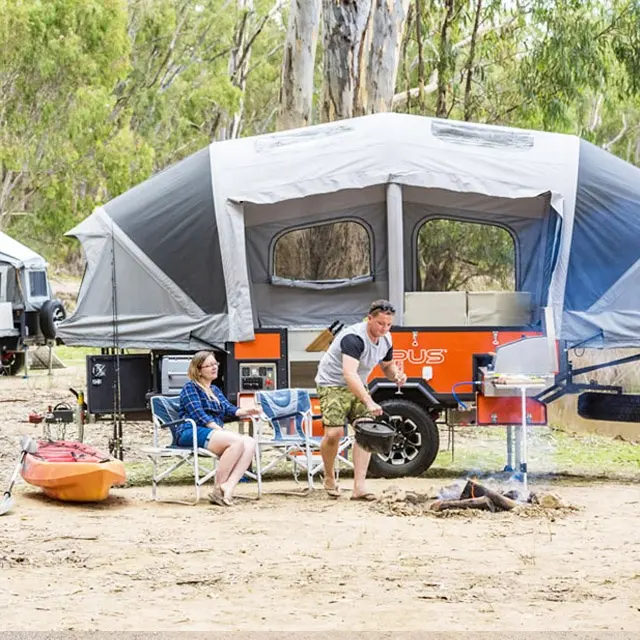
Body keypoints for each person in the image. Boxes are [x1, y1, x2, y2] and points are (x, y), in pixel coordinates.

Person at [315, 299, 406, 501]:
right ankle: (329, 477)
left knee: (367, 431)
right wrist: (369, 401)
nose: (384, 328)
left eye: (389, 324)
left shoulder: (387, 339)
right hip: (332, 383)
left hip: (357, 382)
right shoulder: (353, 338)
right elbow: (349, 374)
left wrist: (397, 375)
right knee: (334, 433)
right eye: (380, 323)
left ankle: (359, 487)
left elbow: (387, 367)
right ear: (369, 318)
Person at [178, 350, 260, 507]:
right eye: (209, 365)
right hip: (191, 431)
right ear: (198, 370)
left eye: (215, 364)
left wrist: (247, 411)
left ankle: (228, 486)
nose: (214, 367)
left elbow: (229, 409)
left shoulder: (215, 390)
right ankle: (217, 489)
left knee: (249, 442)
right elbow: (199, 415)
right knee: (236, 441)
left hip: (213, 432)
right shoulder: (190, 388)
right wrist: (219, 430)